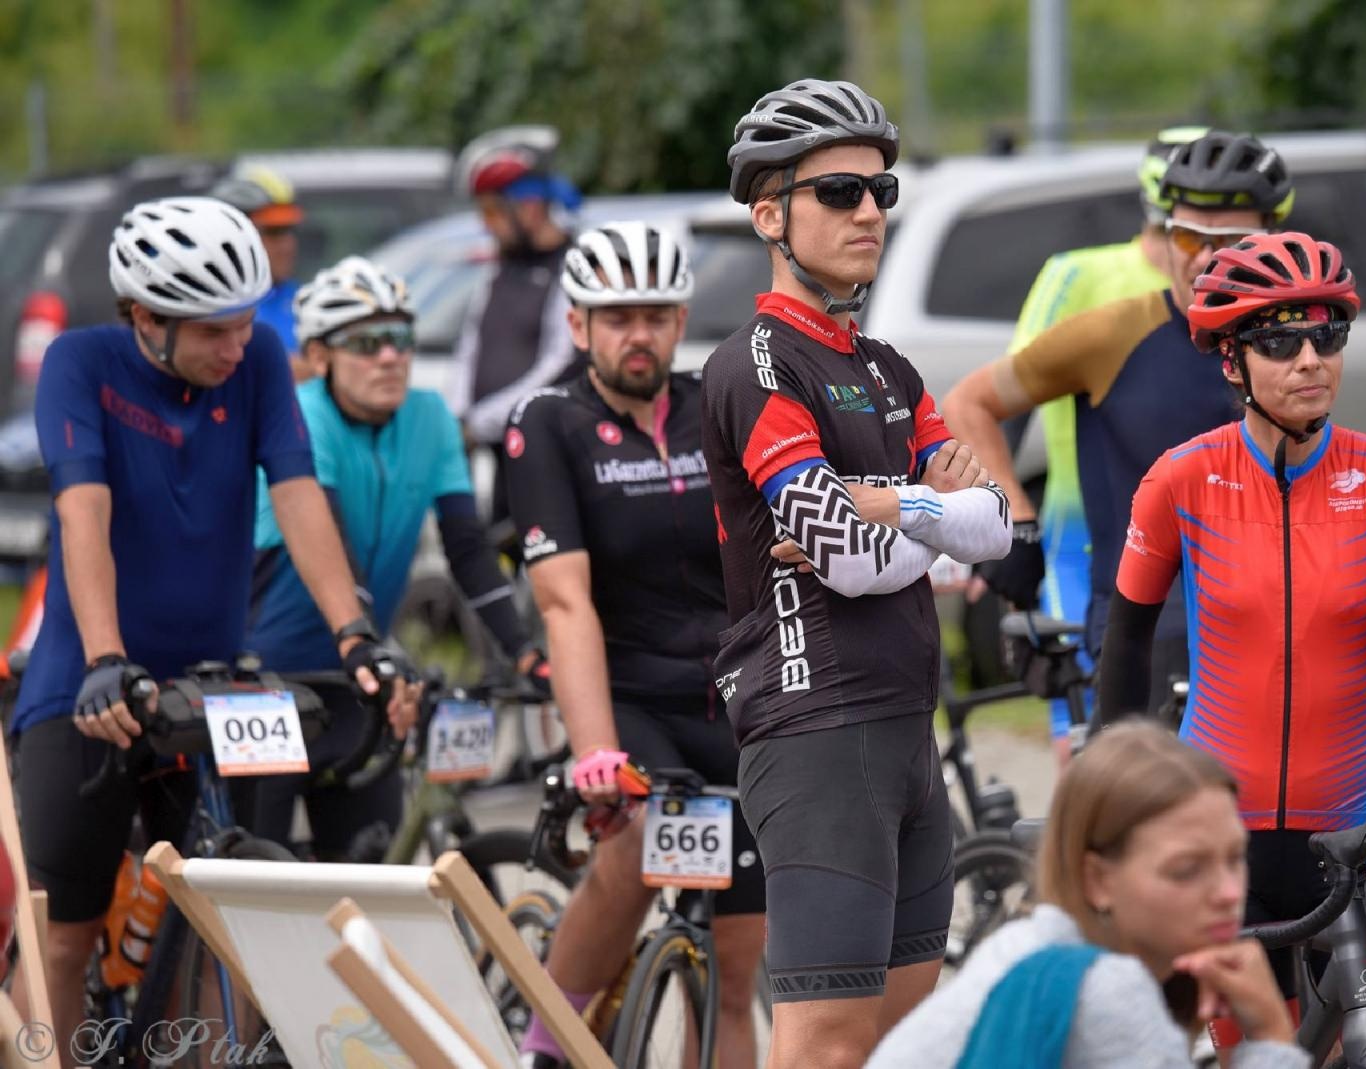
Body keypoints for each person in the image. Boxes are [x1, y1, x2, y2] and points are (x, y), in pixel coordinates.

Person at [13, 197, 401, 1039]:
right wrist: (106, 657)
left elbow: (296, 494)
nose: (239, 344)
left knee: (229, 924)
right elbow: (84, 512)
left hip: (210, 683)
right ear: (147, 317)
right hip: (95, 684)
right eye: (212, 330)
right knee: (62, 939)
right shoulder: (81, 364)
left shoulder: (258, 356)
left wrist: (354, 633)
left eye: (242, 324)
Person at [1094, 231, 1366, 1042]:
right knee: (1264, 1051)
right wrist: (1107, 803)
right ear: (1232, 362)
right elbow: (1126, 646)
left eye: (1326, 335)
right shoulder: (1182, 478)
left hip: (1361, 824)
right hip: (1225, 837)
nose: (1311, 358)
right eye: (1280, 341)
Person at [702, 78, 1013, 1069]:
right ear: (769, 214)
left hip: (904, 730)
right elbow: (839, 556)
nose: (869, 211)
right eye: (839, 192)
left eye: (881, 191)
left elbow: (997, 525)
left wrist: (891, 507)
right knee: (827, 1047)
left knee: (906, 1045)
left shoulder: (888, 368)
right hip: (816, 732)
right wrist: (926, 513)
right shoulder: (755, 363)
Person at [504, 222, 764, 1069]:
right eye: (616, 318)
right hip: (630, 698)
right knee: (629, 850)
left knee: (734, 967)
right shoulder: (549, 422)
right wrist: (595, 754)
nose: (638, 335)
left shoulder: (711, 409)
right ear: (579, 327)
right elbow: (565, 601)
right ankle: (547, 1045)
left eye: (654, 315)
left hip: (731, 698)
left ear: (681, 319)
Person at [943, 130, 1293, 713]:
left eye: (1234, 240)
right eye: (1188, 236)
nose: (1206, 257)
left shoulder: (1297, 341)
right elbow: (969, 404)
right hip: (1147, 625)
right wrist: (1016, 523)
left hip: (1275, 613)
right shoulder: (1113, 333)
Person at [244, 255, 545, 860]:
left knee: (366, 872)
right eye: (368, 342)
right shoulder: (302, 417)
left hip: (359, 676)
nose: (391, 356)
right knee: (252, 874)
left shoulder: (429, 417)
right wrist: (374, 653)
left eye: (402, 338)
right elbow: (335, 551)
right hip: (266, 684)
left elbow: (467, 548)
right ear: (321, 356)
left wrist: (525, 651)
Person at [869, 721, 1307, 1069]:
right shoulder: (1108, 990)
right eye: (1186, 870)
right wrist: (1270, 1033)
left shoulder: (1026, 947)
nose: (1229, 892)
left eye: (1235, 857)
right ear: (1096, 879)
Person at [1005, 125, 1207, 762]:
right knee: (1089, 751)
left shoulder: (1238, 282)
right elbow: (1009, 402)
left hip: (1199, 549)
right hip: (1084, 537)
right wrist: (1008, 520)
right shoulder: (1078, 274)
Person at [451, 125, 584, 524]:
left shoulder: (573, 265)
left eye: (492, 211)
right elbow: (472, 346)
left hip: (545, 452)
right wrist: (455, 415)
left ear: (528, 206)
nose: (485, 225)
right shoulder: (501, 265)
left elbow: (561, 363)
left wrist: (480, 422)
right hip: (494, 454)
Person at [210, 164, 312, 379]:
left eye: (289, 231)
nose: (288, 245)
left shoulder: (304, 299)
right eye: (273, 232)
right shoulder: (203, 305)